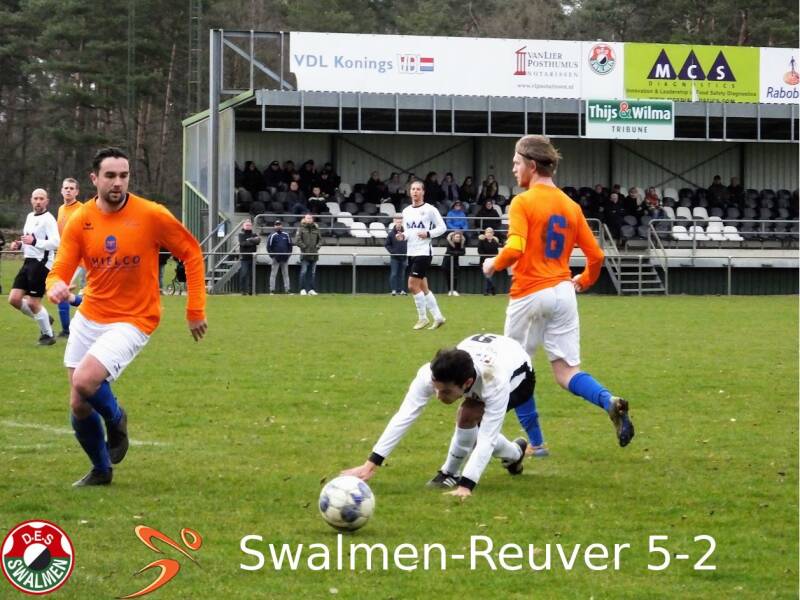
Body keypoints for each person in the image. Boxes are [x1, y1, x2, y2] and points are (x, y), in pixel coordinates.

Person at [46, 147, 207, 487]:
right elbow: (60, 269)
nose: (118, 182)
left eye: (123, 175)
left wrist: (195, 310)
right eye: (110, 176)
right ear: (95, 179)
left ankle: (117, 419)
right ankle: (101, 470)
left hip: (135, 317)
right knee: (78, 404)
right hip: (90, 314)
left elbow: (191, 253)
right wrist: (55, 285)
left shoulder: (151, 214)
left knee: (85, 381)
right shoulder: (81, 220)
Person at [483, 134, 634, 449]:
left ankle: (536, 445)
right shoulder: (570, 205)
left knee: (516, 370)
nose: (513, 169)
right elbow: (597, 256)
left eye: (516, 163)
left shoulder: (522, 202)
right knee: (566, 372)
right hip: (564, 292)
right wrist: (584, 280)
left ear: (531, 165)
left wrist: (493, 264)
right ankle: (608, 400)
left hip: (530, 293)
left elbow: (515, 247)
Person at [343, 333, 546, 498]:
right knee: (470, 424)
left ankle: (450, 473)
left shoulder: (494, 383)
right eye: (436, 388)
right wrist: (371, 464)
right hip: (488, 354)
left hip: (520, 377)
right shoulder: (428, 374)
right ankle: (514, 454)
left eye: (446, 391)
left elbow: (488, 438)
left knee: (469, 414)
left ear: (467, 383)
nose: (439, 396)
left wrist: (467, 486)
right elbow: (404, 415)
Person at [8, 188, 60, 345]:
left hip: (41, 263)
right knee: (14, 299)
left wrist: (35, 242)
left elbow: (56, 243)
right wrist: (19, 244)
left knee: (32, 302)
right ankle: (44, 317)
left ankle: (48, 336)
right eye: (35, 198)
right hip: (28, 261)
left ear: (47, 201)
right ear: (31, 200)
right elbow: (28, 240)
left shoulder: (49, 219)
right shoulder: (30, 216)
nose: (38, 201)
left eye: (41, 199)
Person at [399, 180, 447, 330]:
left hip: (424, 252)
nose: (415, 191)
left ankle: (423, 318)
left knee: (412, 286)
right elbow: (409, 231)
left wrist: (428, 233)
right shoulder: (406, 211)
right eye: (413, 189)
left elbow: (443, 228)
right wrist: (403, 236)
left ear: (423, 192)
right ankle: (438, 317)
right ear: (410, 192)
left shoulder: (430, 209)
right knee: (424, 288)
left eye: (418, 189)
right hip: (411, 252)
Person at [55, 178, 85, 337]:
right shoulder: (61, 209)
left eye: (72, 188)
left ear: (77, 192)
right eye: (66, 188)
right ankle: (67, 329)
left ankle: (67, 330)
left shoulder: (82, 209)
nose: (68, 190)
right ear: (61, 190)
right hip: (65, 259)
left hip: (80, 261)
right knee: (61, 292)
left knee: (62, 292)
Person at [294, 213, 322, 295]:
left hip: (314, 254)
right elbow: (297, 241)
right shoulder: (301, 228)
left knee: (312, 273)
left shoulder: (316, 228)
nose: (309, 219)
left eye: (310, 218)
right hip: (305, 254)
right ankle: (302, 289)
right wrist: (304, 247)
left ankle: (311, 289)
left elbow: (320, 240)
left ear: (312, 219)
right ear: (305, 219)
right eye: (308, 218)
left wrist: (317, 246)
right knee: (304, 272)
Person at [267, 219, 292, 294]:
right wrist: (273, 256)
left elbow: (290, 246)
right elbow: (268, 247)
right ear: (274, 226)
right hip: (276, 259)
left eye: (279, 225)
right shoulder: (272, 235)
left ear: (282, 226)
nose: (278, 226)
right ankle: (272, 290)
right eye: (276, 225)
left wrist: (288, 255)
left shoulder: (286, 235)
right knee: (273, 274)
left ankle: (287, 290)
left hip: (285, 258)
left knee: (286, 275)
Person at [384, 214, 407, 296]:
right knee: (394, 274)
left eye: (400, 222)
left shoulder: (406, 233)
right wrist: (393, 252)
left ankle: (401, 290)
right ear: (394, 222)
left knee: (402, 275)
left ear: (402, 222)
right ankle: (394, 290)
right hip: (394, 258)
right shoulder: (391, 234)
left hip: (404, 257)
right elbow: (387, 245)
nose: (399, 223)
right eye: (397, 222)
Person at [238, 218, 261, 295]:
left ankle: (252, 291)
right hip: (244, 258)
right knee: (244, 274)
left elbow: (258, 241)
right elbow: (243, 244)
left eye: (249, 225)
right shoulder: (241, 235)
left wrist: (249, 240)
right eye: (247, 225)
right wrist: (252, 241)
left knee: (253, 275)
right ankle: (243, 291)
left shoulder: (254, 234)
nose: (248, 226)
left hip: (253, 258)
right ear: (243, 226)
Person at [477, 227, 501, 295]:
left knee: (489, 276)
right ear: (485, 233)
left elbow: (496, 252)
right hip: (484, 261)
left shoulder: (495, 242)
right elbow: (480, 251)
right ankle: (492, 288)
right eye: (487, 232)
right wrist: (487, 258)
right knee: (487, 276)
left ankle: (487, 291)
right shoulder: (481, 241)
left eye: (491, 232)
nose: (489, 234)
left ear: (493, 233)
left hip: (492, 261)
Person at [443, 231, 466, 296]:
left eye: (459, 237)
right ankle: (450, 291)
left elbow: (463, 252)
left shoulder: (461, 244)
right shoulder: (449, 243)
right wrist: (457, 253)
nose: (458, 238)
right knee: (448, 277)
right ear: (453, 237)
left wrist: (455, 253)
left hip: (455, 262)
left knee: (455, 276)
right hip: (447, 262)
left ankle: (454, 290)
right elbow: (449, 251)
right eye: (456, 237)